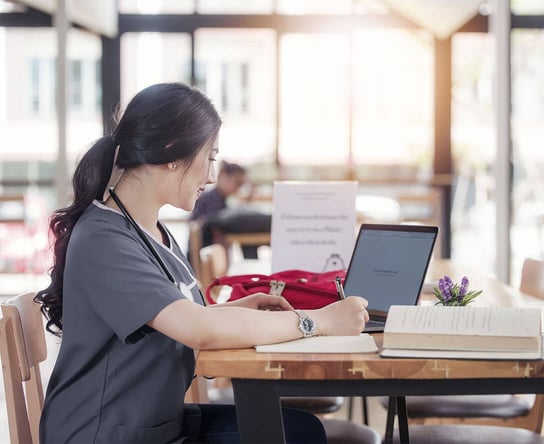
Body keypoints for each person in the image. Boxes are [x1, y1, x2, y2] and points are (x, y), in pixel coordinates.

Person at [35, 82, 369, 444]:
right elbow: (198, 329)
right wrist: (317, 321)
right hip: (104, 434)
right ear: (171, 152)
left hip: (152, 424)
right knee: (293, 436)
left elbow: (186, 318)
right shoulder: (104, 239)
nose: (211, 176)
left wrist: (239, 310)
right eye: (210, 157)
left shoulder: (151, 230)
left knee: (300, 430)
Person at [189, 160, 271, 259]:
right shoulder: (211, 199)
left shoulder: (220, 199)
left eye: (241, 185)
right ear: (223, 176)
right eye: (237, 183)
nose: (238, 189)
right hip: (204, 257)